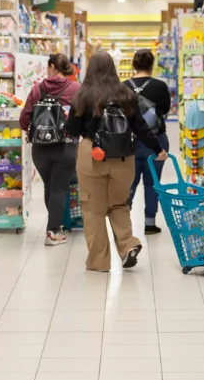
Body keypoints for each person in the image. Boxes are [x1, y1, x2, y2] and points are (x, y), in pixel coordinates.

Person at [65, 51, 166, 271]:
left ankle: (99, 261)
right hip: (123, 156)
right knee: (119, 204)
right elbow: (142, 128)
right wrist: (158, 149)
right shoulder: (126, 94)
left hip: (92, 154)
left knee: (93, 209)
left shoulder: (83, 95)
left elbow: (71, 129)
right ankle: (128, 245)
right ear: (113, 68)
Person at [20, 53, 81, 245]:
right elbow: (83, 117)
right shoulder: (76, 89)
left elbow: (24, 119)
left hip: (41, 148)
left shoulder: (37, 89)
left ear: (53, 66)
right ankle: (53, 231)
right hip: (66, 146)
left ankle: (54, 226)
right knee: (59, 187)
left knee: (50, 186)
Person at [123, 49, 172, 234]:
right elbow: (166, 108)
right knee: (152, 183)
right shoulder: (160, 86)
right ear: (152, 65)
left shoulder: (123, 86)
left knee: (129, 182)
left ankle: (123, 223)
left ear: (133, 65)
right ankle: (150, 223)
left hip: (130, 141)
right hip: (156, 140)